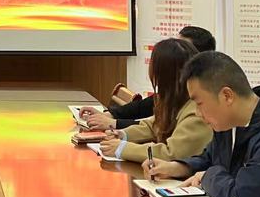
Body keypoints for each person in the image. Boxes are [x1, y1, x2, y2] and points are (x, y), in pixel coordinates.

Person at [143, 51, 260, 197]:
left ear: (227, 96)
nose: (197, 112)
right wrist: (177, 167)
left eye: (199, 103)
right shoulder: (228, 123)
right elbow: (210, 158)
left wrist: (208, 176)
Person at [98, 37, 211, 162]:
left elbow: (172, 153)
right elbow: (155, 125)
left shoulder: (197, 110)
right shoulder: (175, 98)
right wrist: (123, 135)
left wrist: (122, 148)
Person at [81, 25, 216, 130]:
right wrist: (110, 115)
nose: (174, 48)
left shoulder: (200, 97)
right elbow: (149, 111)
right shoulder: (175, 90)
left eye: (180, 47)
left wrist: (114, 125)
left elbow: (164, 137)